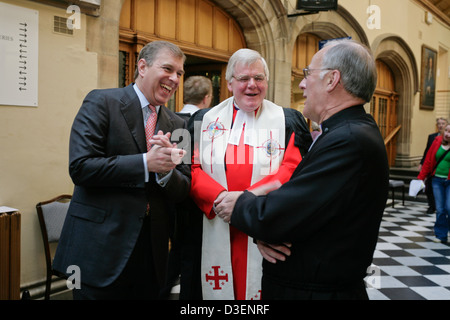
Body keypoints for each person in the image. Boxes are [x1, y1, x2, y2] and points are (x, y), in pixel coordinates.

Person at [215, 39, 389, 300]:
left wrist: (241, 203)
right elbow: (305, 211)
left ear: (332, 80)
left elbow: (284, 212)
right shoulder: (347, 132)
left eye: (308, 74)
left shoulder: (348, 141)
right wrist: (268, 231)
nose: (302, 84)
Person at [53, 41, 191, 300]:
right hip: (99, 249)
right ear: (142, 66)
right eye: (168, 69)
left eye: (180, 74)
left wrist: (167, 172)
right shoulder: (102, 101)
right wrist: (145, 163)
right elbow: (81, 167)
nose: (174, 79)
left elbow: (184, 187)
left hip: (151, 254)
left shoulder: (179, 124)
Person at [188, 48, 312, 300]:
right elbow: (192, 168)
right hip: (216, 219)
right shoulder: (203, 120)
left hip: (265, 223)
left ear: (267, 81)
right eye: (244, 79)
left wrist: (245, 200)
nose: (251, 85)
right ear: (230, 83)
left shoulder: (287, 120)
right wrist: (220, 198)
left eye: (259, 78)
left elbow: (293, 168)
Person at [163, 75, 213, 299]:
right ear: (207, 98)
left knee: (173, 255)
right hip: (196, 203)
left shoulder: (169, 119)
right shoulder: (206, 124)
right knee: (192, 258)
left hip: (169, 200)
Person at [417, 123, 450, 244]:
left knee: (449, 207)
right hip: (437, 180)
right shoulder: (437, 141)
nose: (447, 133)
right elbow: (428, 160)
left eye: (449, 132)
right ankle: (441, 235)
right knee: (440, 209)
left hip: (449, 181)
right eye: (446, 130)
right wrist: (421, 177)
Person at [419, 117, 448, 213]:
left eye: (443, 123)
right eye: (438, 123)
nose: (440, 125)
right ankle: (432, 207)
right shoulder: (434, 138)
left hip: (447, 177)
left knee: (447, 206)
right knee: (430, 192)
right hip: (435, 172)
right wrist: (422, 164)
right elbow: (428, 153)